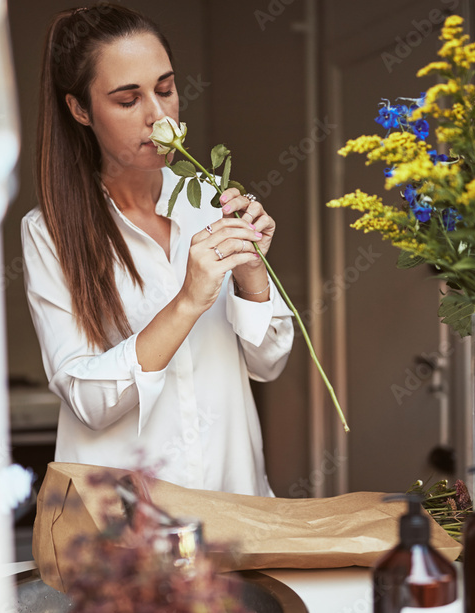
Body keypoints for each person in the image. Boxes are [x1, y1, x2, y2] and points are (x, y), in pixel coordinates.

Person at [21, 4, 293, 496]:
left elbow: (269, 362)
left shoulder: (211, 200)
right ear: (80, 109)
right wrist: (189, 301)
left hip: (238, 510)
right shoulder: (50, 232)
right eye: (128, 100)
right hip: (129, 536)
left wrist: (253, 271)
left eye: (165, 89)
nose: (158, 115)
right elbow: (88, 399)